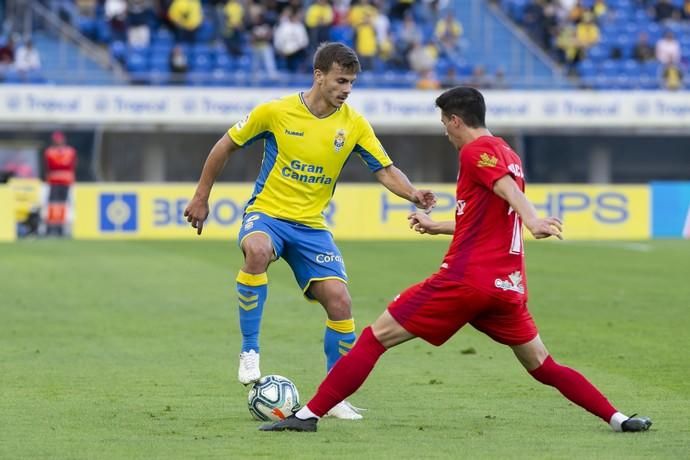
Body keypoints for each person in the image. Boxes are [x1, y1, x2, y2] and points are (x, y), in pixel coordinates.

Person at [259, 86, 652, 433]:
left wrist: (532, 218)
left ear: (456, 120)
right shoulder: (508, 153)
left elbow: (505, 190)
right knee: (543, 365)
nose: (444, 131)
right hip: (507, 288)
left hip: (465, 281)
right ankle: (618, 419)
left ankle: (308, 415)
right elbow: (486, 213)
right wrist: (436, 226)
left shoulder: (476, 151)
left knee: (374, 338)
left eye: (444, 122)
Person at [183, 42, 436, 420]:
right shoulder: (275, 111)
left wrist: (413, 192)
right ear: (319, 76)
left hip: (312, 226)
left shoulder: (353, 124)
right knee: (255, 251)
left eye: (351, 82)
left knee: (341, 302)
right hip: (267, 214)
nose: (346, 89)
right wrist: (201, 196)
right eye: (340, 80)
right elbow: (224, 146)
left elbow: (384, 168)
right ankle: (250, 351)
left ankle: (334, 397)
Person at [44, 131, 77, 236]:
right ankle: (52, 228)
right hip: (55, 181)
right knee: (53, 205)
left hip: (65, 181)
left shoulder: (68, 151)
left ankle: (60, 228)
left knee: (62, 205)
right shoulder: (50, 151)